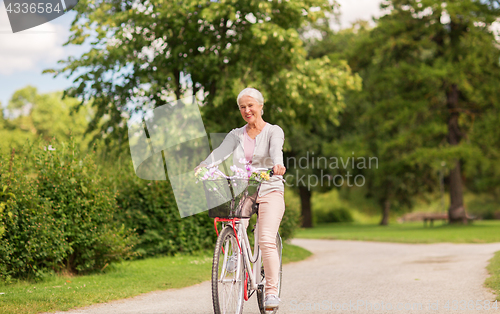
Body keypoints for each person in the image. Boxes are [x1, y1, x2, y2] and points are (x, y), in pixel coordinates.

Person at [197, 87, 286, 310]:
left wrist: (277, 163)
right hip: (245, 189)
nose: (247, 110)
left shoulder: (273, 131)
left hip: (269, 187)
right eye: (242, 107)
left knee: (265, 238)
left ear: (260, 106)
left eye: (251, 105)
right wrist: (205, 164)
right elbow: (220, 152)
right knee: (235, 224)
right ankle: (235, 255)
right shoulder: (236, 134)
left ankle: (272, 292)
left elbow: (276, 150)